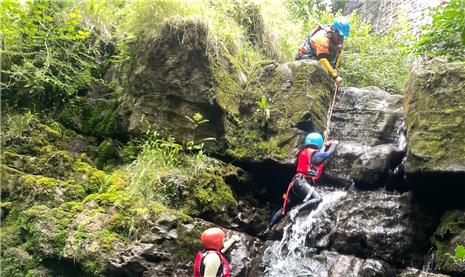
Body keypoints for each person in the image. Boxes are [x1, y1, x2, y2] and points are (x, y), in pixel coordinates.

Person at [266, 132, 338, 231]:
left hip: (295, 183)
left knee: (284, 209)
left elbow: (318, 155)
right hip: (302, 182)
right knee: (317, 199)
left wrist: (325, 146)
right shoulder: (313, 155)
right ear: (318, 142)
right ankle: (296, 211)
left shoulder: (306, 152)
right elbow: (327, 154)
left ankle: (268, 228)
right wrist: (334, 144)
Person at [295, 17, 350, 86]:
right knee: (319, 67)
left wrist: (335, 69)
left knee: (327, 70)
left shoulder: (338, 41)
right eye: (339, 35)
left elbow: (339, 53)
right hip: (305, 56)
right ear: (334, 30)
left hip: (319, 57)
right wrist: (335, 77)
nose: (341, 38)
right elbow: (322, 59)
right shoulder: (322, 38)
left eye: (342, 36)